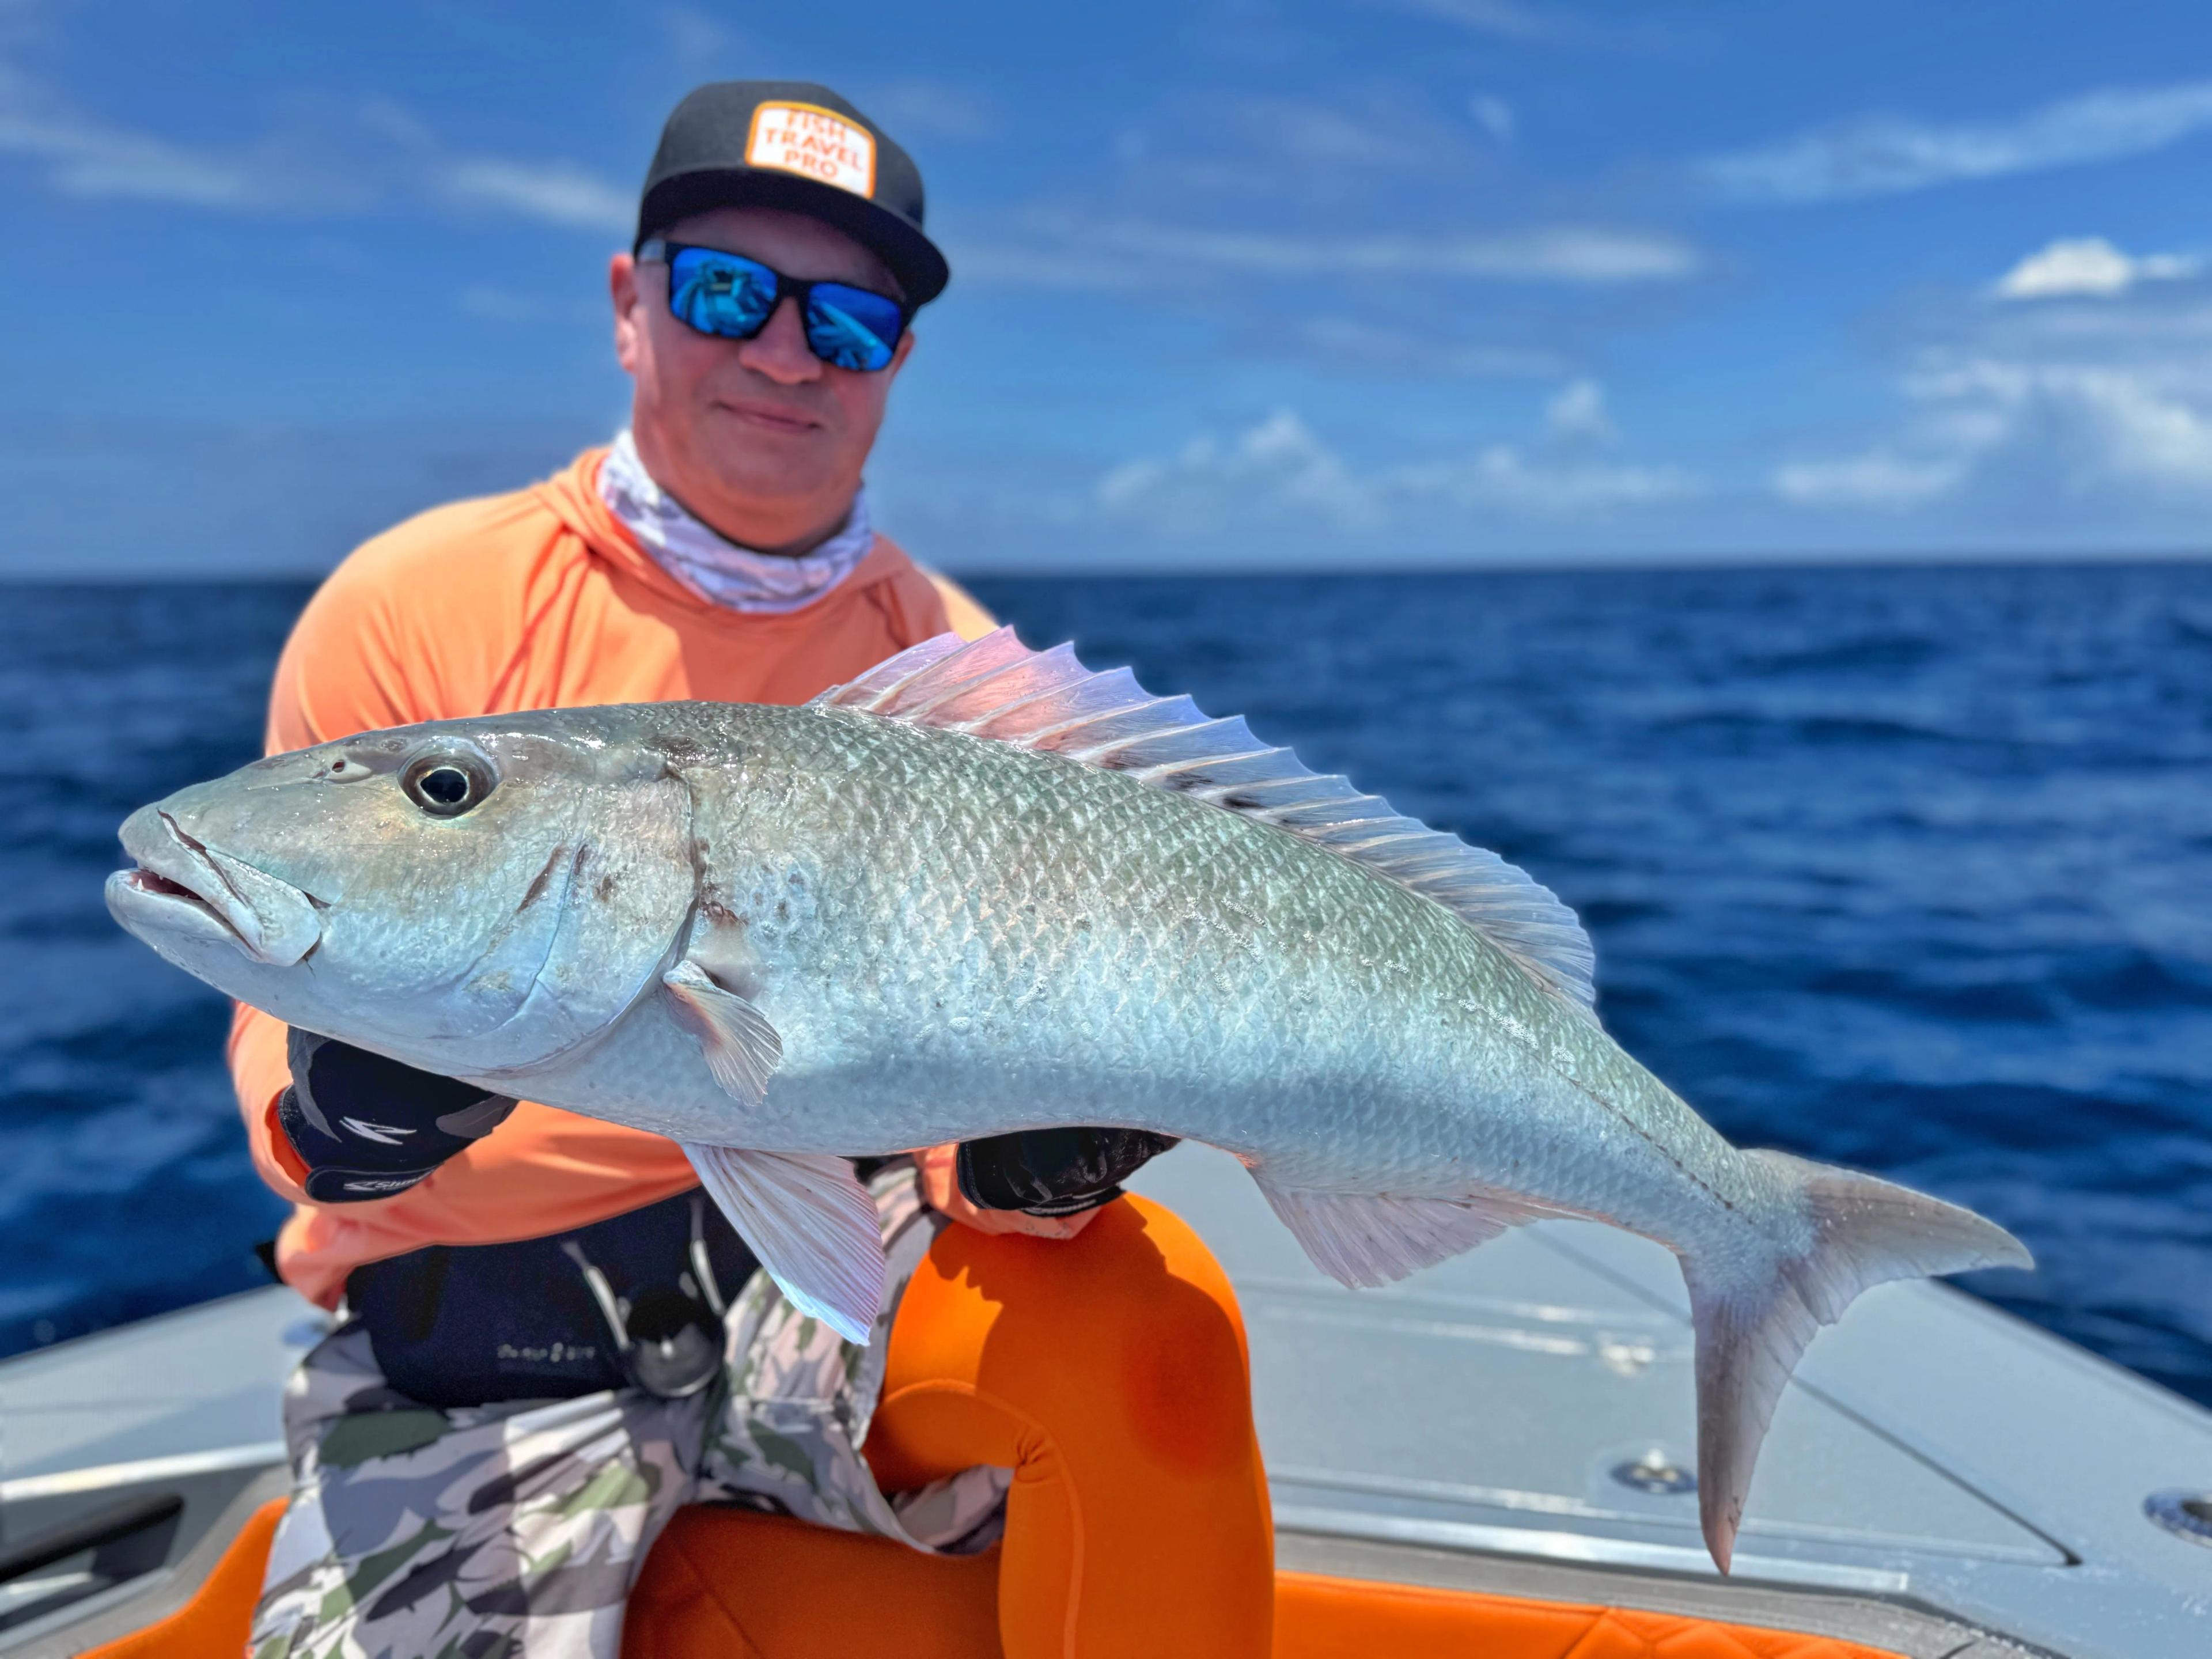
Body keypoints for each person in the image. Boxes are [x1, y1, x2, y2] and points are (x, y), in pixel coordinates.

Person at [228, 81, 1274, 1659]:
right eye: (730, 292)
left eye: (849, 324)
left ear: (897, 365)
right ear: (630, 301)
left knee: (1147, 1327)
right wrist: (338, 1117)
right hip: (484, 1336)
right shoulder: (418, 610)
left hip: (817, 1286)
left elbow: (956, 1118)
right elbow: (284, 1087)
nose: (786, 353)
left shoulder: (964, 668)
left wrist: (1009, 1169)